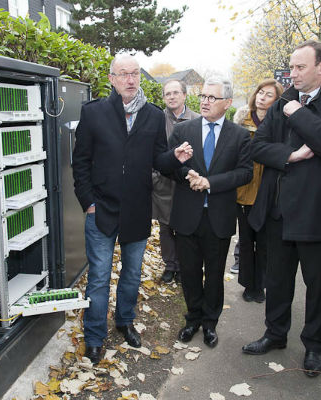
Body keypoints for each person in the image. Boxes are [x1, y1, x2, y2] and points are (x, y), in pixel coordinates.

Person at [242, 40, 321, 377]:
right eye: (291, 67)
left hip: (315, 213)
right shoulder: (283, 102)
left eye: (299, 67)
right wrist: (290, 155)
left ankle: (313, 347)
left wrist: (299, 113)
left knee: (318, 285)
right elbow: (258, 147)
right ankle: (275, 334)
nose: (291, 74)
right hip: (278, 211)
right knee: (277, 281)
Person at [72, 54, 193, 364]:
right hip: (101, 210)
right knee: (98, 278)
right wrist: (88, 202)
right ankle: (95, 337)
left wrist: (175, 157)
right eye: (123, 74)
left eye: (135, 73)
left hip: (138, 209)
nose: (130, 79)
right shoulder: (94, 112)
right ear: (112, 78)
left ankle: (125, 321)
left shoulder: (153, 116)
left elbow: (158, 160)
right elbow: (81, 161)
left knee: (131, 275)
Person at [167, 76, 253, 348]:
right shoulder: (184, 130)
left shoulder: (239, 135)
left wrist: (210, 183)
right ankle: (192, 318)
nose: (205, 101)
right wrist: (187, 174)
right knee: (190, 272)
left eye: (212, 98)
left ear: (227, 102)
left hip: (218, 217)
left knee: (214, 274)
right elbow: (169, 164)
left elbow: (245, 172)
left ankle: (210, 323)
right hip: (187, 216)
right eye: (203, 96)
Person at [233, 78, 283, 303]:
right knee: (245, 241)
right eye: (260, 92)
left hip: (267, 188)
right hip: (244, 187)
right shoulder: (241, 118)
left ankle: (259, 285)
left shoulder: (279, 121)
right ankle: (247, 284)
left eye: (269, 94)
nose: (262, 97)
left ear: (277, 100)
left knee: (264, 243)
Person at [152, 79, 200, 283]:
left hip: (188, 180)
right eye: (167, 94)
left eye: (175, 93)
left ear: (184, 95)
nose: (171, 97)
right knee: (165, 226)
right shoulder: (156, 120)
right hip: (162, 180)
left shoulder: (197, 119)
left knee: (185, 225)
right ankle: (170, 265)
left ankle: (184, 266)